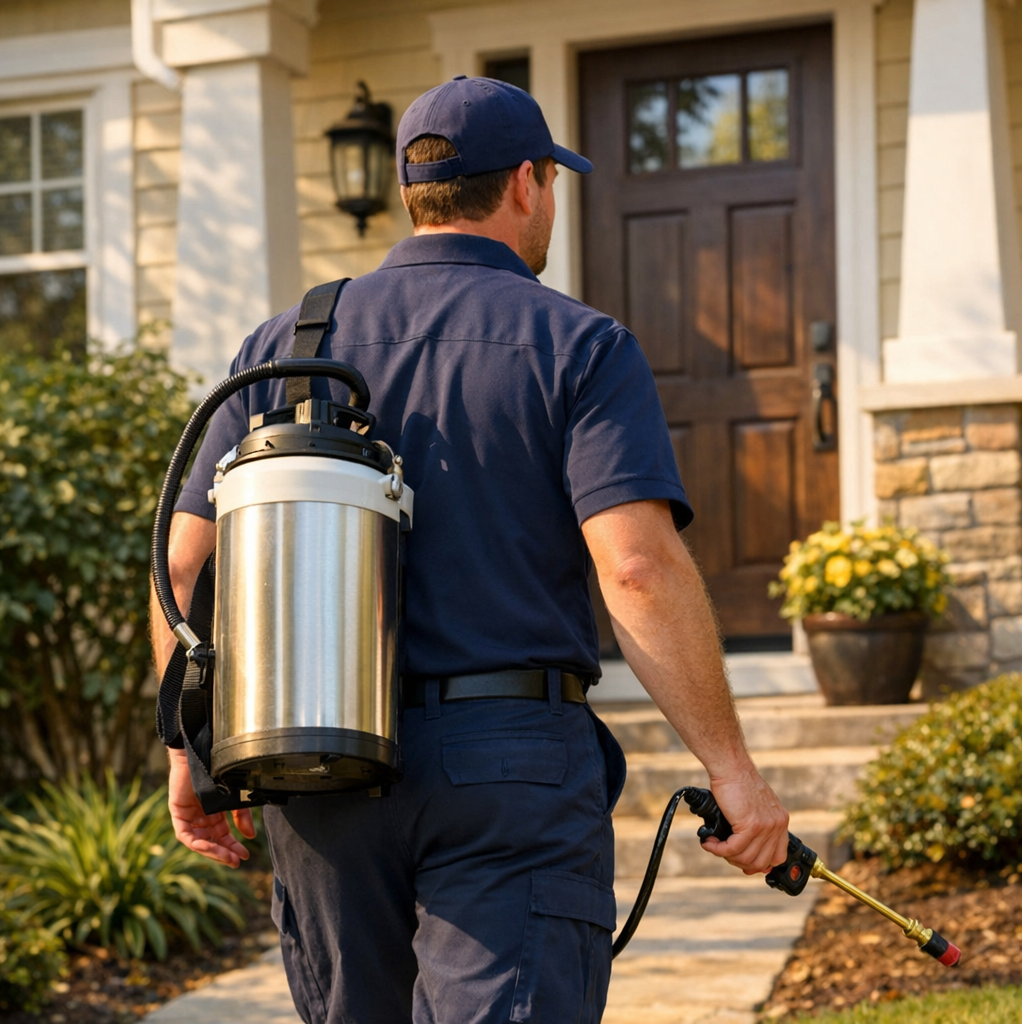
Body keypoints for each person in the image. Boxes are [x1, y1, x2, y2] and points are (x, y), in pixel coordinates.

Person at [150, 75, 789, 1024]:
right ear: (527, 184)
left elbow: (181, 568)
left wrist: (192, 752)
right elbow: (637, 567)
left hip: (317, 754)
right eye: (551, 185)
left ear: (416, 194)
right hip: (512, 770)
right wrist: (732, 770)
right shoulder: (578, 344)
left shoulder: (286, 343)